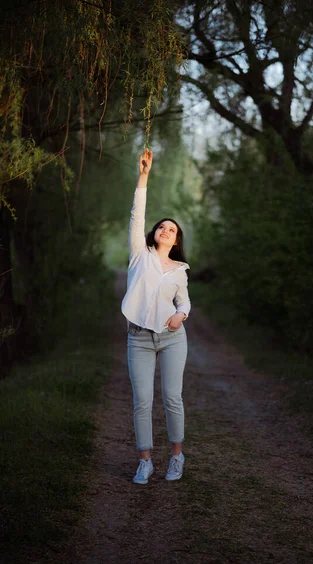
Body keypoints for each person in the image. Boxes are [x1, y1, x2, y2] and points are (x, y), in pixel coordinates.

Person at [121, 149, 190, 485]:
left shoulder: (179, 269)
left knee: (172, 397)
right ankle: (145, 461)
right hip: (139, 338)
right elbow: (137, 213)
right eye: (162, 226)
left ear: (176, 242)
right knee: (142, 401)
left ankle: (176, 457)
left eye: (171, 230)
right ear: (154, 234)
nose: (165, 230)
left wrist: (181, 314)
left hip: (172, 338)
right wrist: (144, 175)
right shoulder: (139, 254)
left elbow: (184, 302)